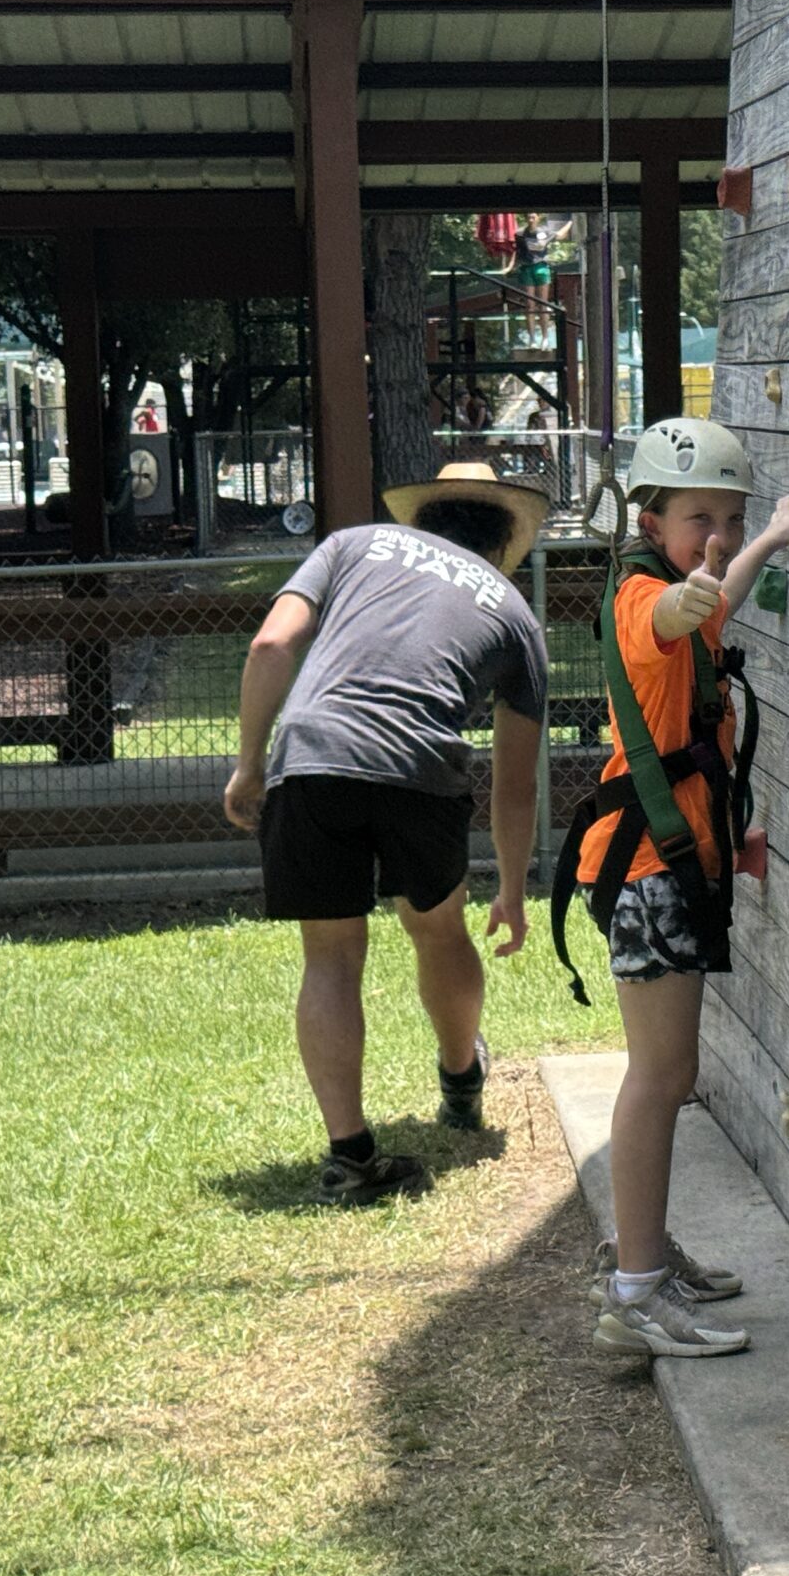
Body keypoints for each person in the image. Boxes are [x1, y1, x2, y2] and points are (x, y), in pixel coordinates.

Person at [225, 461, 551, 1207]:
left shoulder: (352, 544)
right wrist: (510, 888)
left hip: (312, 755)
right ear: (506, 540)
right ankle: (461, 1078)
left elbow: (270, 647)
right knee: (438, 930)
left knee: (331, 955)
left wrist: (249, 765)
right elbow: (516, 782)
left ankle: (349, 1157)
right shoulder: (513, 613)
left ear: (424, 517)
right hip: (421, 769)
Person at [563, 418, 789, 1357]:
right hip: (648, 874)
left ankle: (646, 1255)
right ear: (650, 522)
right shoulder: (643, 599)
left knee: (667, 1075)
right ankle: (636, 1291)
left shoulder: (685, 589)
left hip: (669, 865)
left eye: (730, 517)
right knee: (661, 1078)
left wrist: (765, 542)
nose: (718, 534)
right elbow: (671, 615)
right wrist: (697, 587)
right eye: (700, 518)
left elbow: (711, 601)